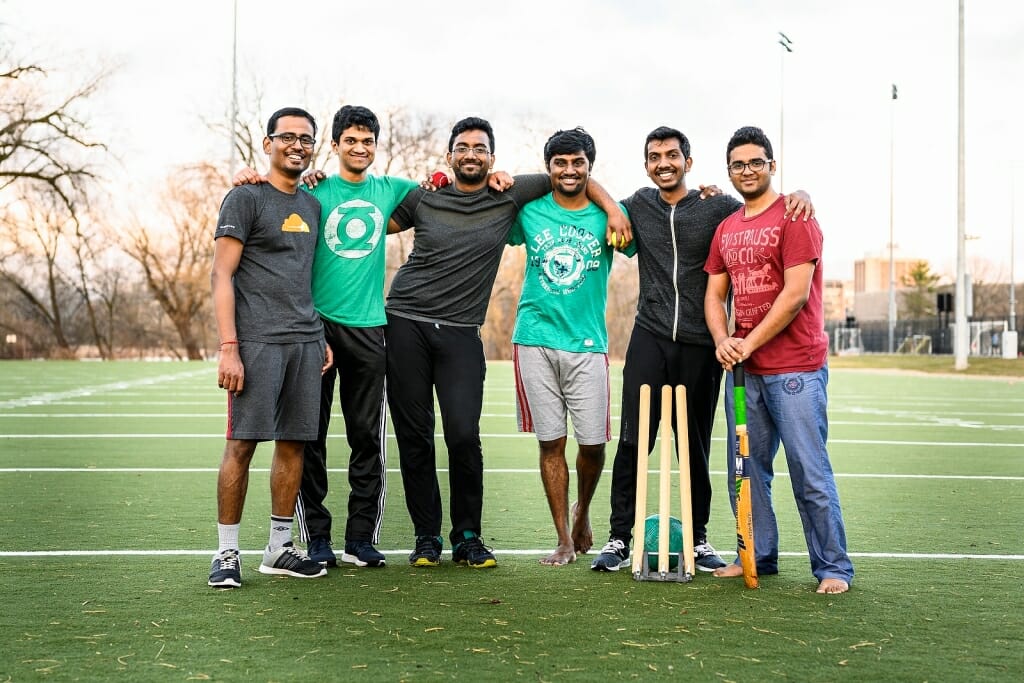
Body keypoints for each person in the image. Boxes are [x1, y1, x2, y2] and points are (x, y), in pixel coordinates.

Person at [386, 116, 630, 569]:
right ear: (450, 155)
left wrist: (614, 207)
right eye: (463, 147)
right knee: (414, 437)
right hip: (405, 322)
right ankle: (425, 537)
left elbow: (579, 180)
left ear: (493, 159)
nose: (471, 154)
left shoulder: (511, 193)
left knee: (462, 435)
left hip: (462, 331)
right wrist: (319, 184)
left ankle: (468, 536)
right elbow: (376, 218)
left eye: (480, 148)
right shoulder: (427, 195)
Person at [592, 126, 813, 573]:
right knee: (635, 439)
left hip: (700, 344)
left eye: (672, 155)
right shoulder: (638, 205)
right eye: (654, 157)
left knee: (693, 445)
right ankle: (619, 537)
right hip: (649, 337)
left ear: (688, 163)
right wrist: (613, 209)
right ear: (647, 165)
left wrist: (801, 192)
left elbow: (762, 204)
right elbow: (596, 195)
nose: (664, 163)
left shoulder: (717, 207)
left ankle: (698, 538)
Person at [703, 125, 853, 594]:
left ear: (771, 165)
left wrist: (748, 342)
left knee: (809, 472)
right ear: (729, 172)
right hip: (745, 376)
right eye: (737, 164)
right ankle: (757, 556)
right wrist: (723, 338)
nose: (746, 170)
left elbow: (794, 295)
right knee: (745, 470)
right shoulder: (727, 228)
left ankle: (833, 568)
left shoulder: (795, 216)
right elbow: (714, 293)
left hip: (796, 371)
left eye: (755, 162)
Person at [208, 107, 331, 588]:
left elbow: (304, 279)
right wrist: (229, 345)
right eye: (288, 137)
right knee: (241, 446)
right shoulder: (244, 198)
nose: (297, 145)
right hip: (256, 343)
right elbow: (221, 274)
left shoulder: (313, 205)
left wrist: (318, 335)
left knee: (294, 445)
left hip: (305, 341)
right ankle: (226, 554)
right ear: (267, 143)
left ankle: (279, 549)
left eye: (306, 138)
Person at [508, 127, 635, 566]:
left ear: (589, 166)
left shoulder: (610, 219)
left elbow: (638, 243)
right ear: (548, 168)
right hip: (535, 339)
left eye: (577, 162)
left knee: (594, 446)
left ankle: (583, 508)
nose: (568, 169)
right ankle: (563, 536)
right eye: (560, 162)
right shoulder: (529, 213)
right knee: (550, 444)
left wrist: (613, 205)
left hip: (588, 345)